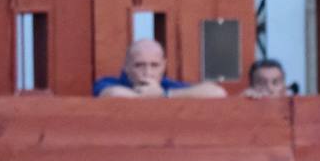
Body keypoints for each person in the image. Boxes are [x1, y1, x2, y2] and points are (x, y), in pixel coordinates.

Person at [94, 38, 227, 98]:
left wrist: (164, 94)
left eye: (154, 65)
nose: (148, 72)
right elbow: (112, 94)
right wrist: (146, 96)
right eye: (139, 65)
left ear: (163, 66)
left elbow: (217, 92)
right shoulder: (109, 82)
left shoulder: (167, 85)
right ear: (126, 66)